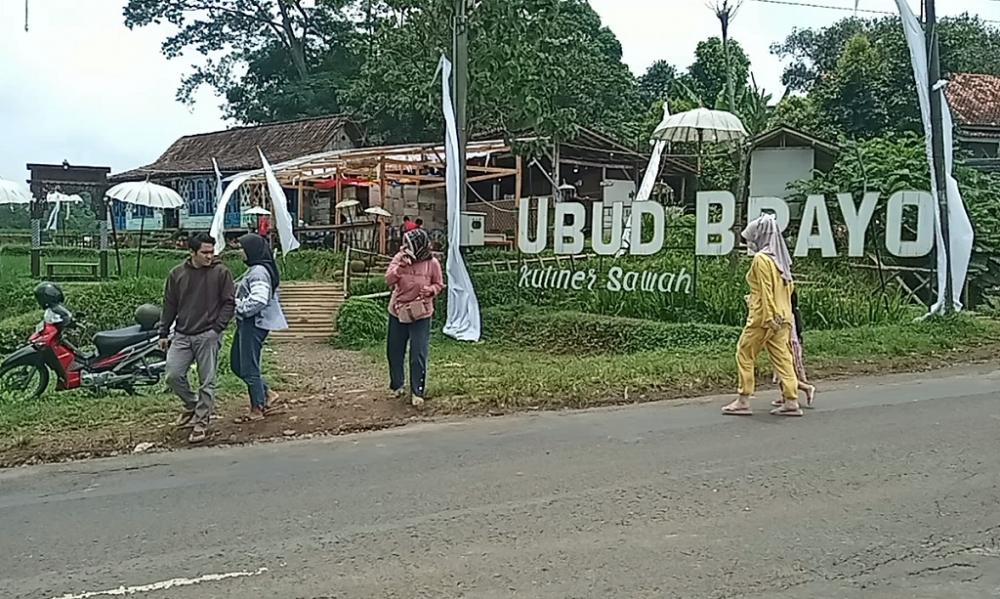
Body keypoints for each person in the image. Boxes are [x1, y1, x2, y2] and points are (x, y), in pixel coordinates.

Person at [722, 214, 803, 417]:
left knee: (744, 352)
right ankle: (791, 399)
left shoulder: (761, 259)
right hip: (784, 317)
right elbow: (788, 288)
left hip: (764, 317)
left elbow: (767, 291)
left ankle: (743, 399)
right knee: (782, 357)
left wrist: (768, 317)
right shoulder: (781, 260)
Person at [160, 232, 236, 443]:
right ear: (192, 252)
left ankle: (201, 422)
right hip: (183, 334)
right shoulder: (177, 274)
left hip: (208, 334)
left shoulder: (221, 273)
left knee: (207, 381)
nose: (209, 256)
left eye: (212, 252)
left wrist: (217, 329)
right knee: (172, 376)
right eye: (205, 252)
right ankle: (193, 405)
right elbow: (170, 305)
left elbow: (229, 302)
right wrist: (163, 332)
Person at [231, 233, 288, 422]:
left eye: (242, 248)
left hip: (253, 323)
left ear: (251, 251)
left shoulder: (258, 272)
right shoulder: (258, 269)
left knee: (248, 367)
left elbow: (259, 299)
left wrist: (237, 306)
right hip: (249, 322)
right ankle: (267, 393)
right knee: (237, 364)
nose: (240, 252)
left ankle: (257, 407)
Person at [386, 228, 445, 407]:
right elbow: (388, 280)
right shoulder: (399, 258)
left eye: (409, 244)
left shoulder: (432, 263)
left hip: (421, 312)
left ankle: (417, 391)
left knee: (418, 353)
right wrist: (400, 269)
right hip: (399, 310)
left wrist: (431, 290)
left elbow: (439, 284)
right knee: (394, 350)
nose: (405, 247)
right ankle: (397, 385)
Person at [772, 290, 816, 408]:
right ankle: (785, 396)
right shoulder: (789, 313)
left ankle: (806, 388)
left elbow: (792, 337)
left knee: (785, 374)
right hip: (783, 346)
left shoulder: (789, 315)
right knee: (781, 374)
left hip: (790, 346)